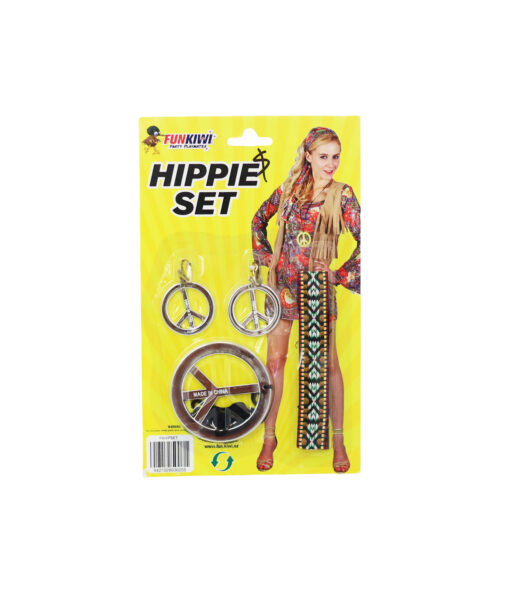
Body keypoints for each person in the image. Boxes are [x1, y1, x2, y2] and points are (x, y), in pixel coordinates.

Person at [251, 127, 360, 473]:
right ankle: (269, 437)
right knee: (275, 362)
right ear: (308, 156)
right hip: (283, 287)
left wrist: (339, 274)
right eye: (323, 156)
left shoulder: (342, 195)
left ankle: (338, 440)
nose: (331, 164)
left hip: (317, 288)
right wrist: (265, 256)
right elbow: (258, 220)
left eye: (336, 156)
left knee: (328, 364)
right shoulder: (288, 191)